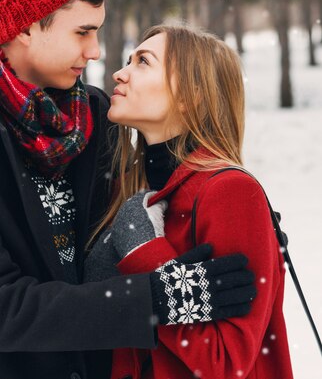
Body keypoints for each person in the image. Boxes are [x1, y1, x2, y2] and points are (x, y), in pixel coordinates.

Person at [0, 0, 257, 378]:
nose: (96, 50)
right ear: (26, 26)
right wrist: (156, 299)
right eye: (82, 32)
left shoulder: (97, 116)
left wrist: (219, 206)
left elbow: (145, 205)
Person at [85, 24, 294, 379]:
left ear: (191, 95)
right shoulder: (129, 190)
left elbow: (228, 362)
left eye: (143, 62)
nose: (120, 73)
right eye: (128, 61)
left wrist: (144, 254)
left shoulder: (230, 192)